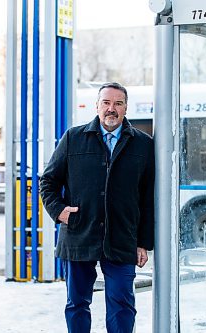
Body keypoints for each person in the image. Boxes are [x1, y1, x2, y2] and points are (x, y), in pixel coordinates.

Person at [40, 82, 155, 333]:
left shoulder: (143, 144)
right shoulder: (73, 137)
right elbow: (48, 181)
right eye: (106, 102)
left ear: (126, 108)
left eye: (118, 103)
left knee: (122, 304)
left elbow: (148, 197)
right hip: (80, 233)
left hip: (123, 237)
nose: (111, 109)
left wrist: (143, 242)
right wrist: (59, 211)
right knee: (77, 303)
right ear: (97, 106)